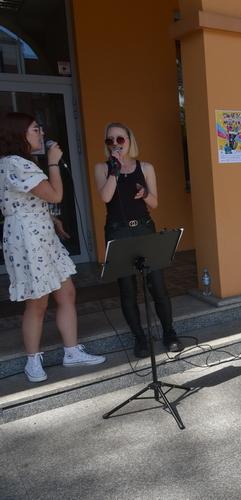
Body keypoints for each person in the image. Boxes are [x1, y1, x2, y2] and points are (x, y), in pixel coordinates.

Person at [0, 112, 105, 382]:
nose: (41, 134)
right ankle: (32, 361)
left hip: (41, 233)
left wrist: (51, 219)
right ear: (19, 134)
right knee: (38, 302)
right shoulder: (16, 164)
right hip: (29, 239)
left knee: (66, 293)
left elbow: (30, 200)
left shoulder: (18, 163)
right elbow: (56, 194)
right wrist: (54, 162)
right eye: (35, 129)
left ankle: (71, 351)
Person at [94, 122, 183, 358]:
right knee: (127, 289)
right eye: (110, 140)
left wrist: (144, 194)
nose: (115, 144)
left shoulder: (145, 167)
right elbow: (106, 197)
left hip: (144, 228)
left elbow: (155, 202)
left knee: (157, 284)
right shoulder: (102, 168)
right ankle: (140, 339)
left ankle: (169, 332)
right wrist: (115, 170)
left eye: (120, 139)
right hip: (118, 231)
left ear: (129, 140)